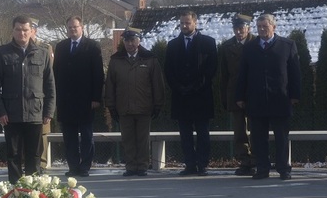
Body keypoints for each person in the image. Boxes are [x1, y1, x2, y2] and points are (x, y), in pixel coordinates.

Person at [235, 14, 302, 181]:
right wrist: (240, 96)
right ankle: (262, 168)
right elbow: (242, 74)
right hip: (256, 100)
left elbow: (295, 73)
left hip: (280, 99)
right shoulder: (250, 48)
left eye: (265, 26)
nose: (262, 30)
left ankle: (283, 169)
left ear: (274, 27)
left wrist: (295, 95)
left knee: (281, 137)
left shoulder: (287, 45)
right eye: (259, 27)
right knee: (258, 138)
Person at [0, 15, 56, 183]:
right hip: (11, 114)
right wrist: (0, 111)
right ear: (13, 30)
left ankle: (32, 193)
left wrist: (49, 111)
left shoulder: (42, 53)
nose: (22, 33)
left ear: (32, 31)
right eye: (18, 29)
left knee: (34, 156)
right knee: (13, 156)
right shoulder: (2, 53)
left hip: (35, 113)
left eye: (26, 30)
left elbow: (50, 85)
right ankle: (15, 193)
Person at [104, 28, 165, 176]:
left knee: (143, 139)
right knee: (128, 139)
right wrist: (111, 106)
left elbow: (157, 84)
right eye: (127, 41)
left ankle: (142, 166)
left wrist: (158, 105)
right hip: (124, 107)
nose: (130, 44)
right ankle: (131, 167)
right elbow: (110, 85)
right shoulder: (116, 60)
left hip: (144, 107)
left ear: (139, 41)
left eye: (133, 40)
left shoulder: (150, 59)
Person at [164, 10, 217, 176]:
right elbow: (168, 71)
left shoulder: (208, 43)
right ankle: (189, 164)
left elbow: (211, 70)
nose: (184, 26)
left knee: (203, 133)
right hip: (181, 97)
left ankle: (202, 164)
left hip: (201, 96)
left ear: (195, 23)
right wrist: (179, 87)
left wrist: (195, 87)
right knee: (185, 134)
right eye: (182, 23)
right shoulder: (172, 45)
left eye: (187, 23)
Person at [53, 16, 104, 177]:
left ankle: (85, 166)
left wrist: (96, 98)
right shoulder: (61, 47)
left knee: (87, 136)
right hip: (66, 101)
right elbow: (55, 73)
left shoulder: (93, 46)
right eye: (70, 28)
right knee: (69, 137)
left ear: (82, 27)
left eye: (75, 27)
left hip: (86, 100)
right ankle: (73, 166)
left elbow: (98, 74)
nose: (72, 30)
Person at [219, 14, 256, 176]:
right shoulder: (227, 47)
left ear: (248, 28)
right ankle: (245, 162)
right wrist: (225, 98)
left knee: (256, 130)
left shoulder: (256, 44)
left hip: (254, 94)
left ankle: (257, 160)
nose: (239, 32)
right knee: (239, 132)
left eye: (242, 28)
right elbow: (224, 75)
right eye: (236, 29)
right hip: (235, 94)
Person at [30, 19, 54, 172]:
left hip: (41, 97)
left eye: (30, 28)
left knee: (43, 132)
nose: (26, 32)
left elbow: (48, 75)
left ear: (35, 30)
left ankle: (43, 163)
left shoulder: (45, 48)